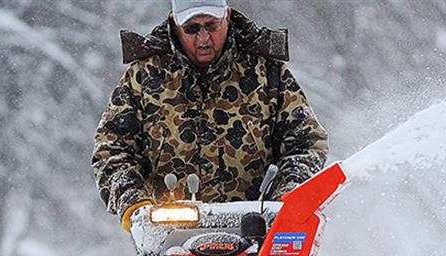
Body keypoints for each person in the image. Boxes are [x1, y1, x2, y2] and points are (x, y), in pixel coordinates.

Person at [92, 0, 329, 233]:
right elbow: (112, 150)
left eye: (212, 25)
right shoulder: (143, 77)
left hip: (261, 238)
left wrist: (289, 191)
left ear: (226, 16)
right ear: (175, 24)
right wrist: (134, 203)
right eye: (192, 28)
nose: (203, 38)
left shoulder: (266, 71)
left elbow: (307, 142)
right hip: (172, 244)